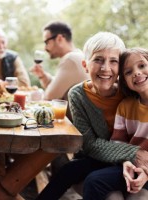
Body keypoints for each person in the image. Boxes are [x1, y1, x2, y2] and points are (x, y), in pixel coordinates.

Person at [35, 32, 148, 200]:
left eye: (113, 61)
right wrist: (132, 153)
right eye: (98, 60)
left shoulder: (129, 92)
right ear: (85, 65)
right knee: (68, 171)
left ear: (120, 68)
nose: (105, 68)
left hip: (125, 162)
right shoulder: (78, 94)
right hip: (97, 157)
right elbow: (90, 145)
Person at [84, 48, 148, 200]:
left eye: (142, 66)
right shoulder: (126, 106)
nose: (137, 73)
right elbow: (118, 143)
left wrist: (145, 173)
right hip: (132, 166)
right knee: (93, 181)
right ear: (124, 81)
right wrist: (127, 163)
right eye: (128, 72)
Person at [30, 21, 89, 101]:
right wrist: (43, 76)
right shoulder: (77, 55)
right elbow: (58, 87)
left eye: (47, 42)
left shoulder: (70, 59)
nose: (45, 48)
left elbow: (49, 97)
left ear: (59, 39)